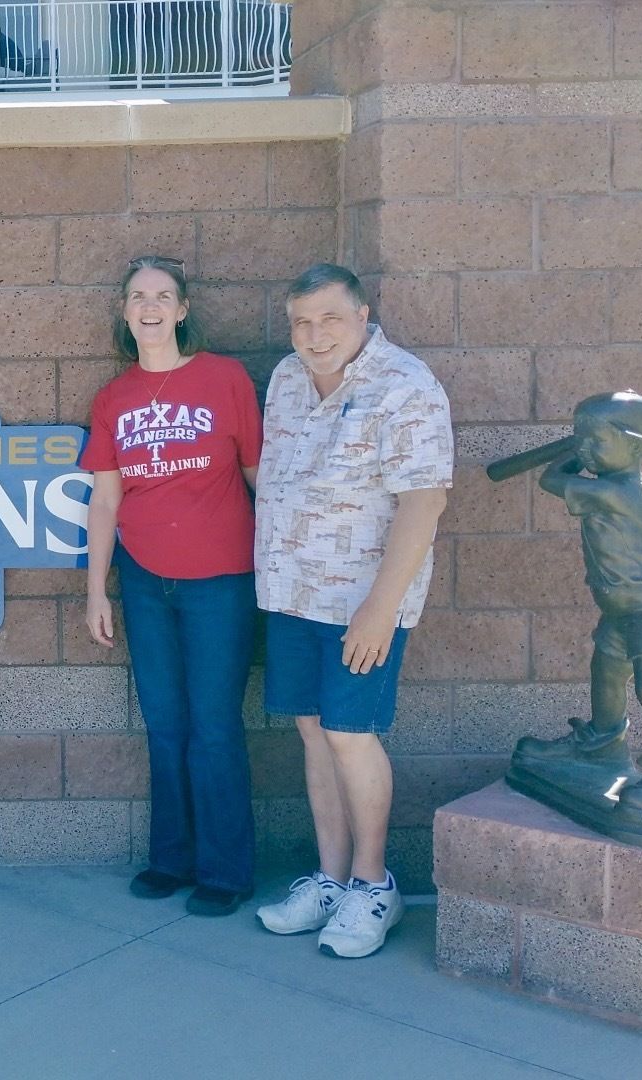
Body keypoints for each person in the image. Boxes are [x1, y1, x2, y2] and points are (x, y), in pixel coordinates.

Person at [253, 264, 451, 958]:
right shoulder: (284, 378)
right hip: (290, 593)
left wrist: (380, 608)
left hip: (361, 603)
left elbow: (424, 502)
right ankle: (331, 880)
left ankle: (374, 886)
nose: (315, 335)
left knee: (349, 732)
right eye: (302, 322)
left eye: (330, 319)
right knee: (312, 731)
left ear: (363, 315)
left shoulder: (405, 386)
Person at [81, 256, 263, 917]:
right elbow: (104, 500)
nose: (150, 306)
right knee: (164, 723)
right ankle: (172, 858)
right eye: (138, 297)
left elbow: (257, 477)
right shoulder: (114, 397)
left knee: (214, 726)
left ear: (183, 309)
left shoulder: (225, 379)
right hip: (145, 581)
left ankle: (226, 870)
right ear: (125, 314)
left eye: (163, 295)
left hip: (219, 581)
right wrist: (97, 589)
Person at [524, 392, 642, 810]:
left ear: (637, 446)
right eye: (581, 439)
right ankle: (602, 743)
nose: (586, 449)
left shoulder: (617, 492)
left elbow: (550, 480)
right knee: (605, 672)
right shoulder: (620, 482)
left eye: (596, 441)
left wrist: (569, 452)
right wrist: (586, 444)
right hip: (623, 607)